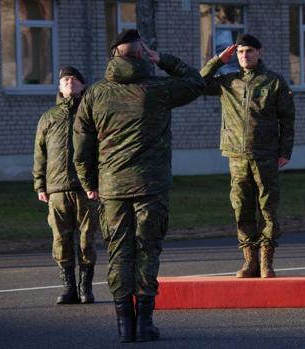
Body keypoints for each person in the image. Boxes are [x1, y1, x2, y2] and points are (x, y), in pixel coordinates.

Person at [73, 30, 205, 343]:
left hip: (112, 188)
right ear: (143, 54)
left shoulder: (94, 94)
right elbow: (197, 82)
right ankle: (144, 323)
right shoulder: (157, 89)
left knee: (120, 253)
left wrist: (90, 183)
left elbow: (81, 146)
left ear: (113, 55)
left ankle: (124, 326)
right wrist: (164, 59)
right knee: (147, 250)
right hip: (151, 185)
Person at [200, 34, 295, 279]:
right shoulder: (228, 81)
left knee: (267, 208)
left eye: (249, 51)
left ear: (259, 52)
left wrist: (285, 151)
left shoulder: (274, 82)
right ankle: (249, 260)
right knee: (241, 207)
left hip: (266, 155)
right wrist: (218, 61)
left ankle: (266, 261)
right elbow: (197, 82)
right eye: (241, 52)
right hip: (237, 156)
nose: (245, 56)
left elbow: (287, 119)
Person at [33, 66, 99, 305]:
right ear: (59, 88)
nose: (69, 82)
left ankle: (85, 287)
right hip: (57, 189)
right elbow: (40, 154)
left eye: (74, 79)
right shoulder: (49, 117)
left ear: (83, 85)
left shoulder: (92, 113)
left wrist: (98, 182)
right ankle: (68, 287)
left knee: (86, 239)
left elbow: (102, 151)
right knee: (61, 239)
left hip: (86, 189)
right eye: (64, 80)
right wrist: (40, 185)